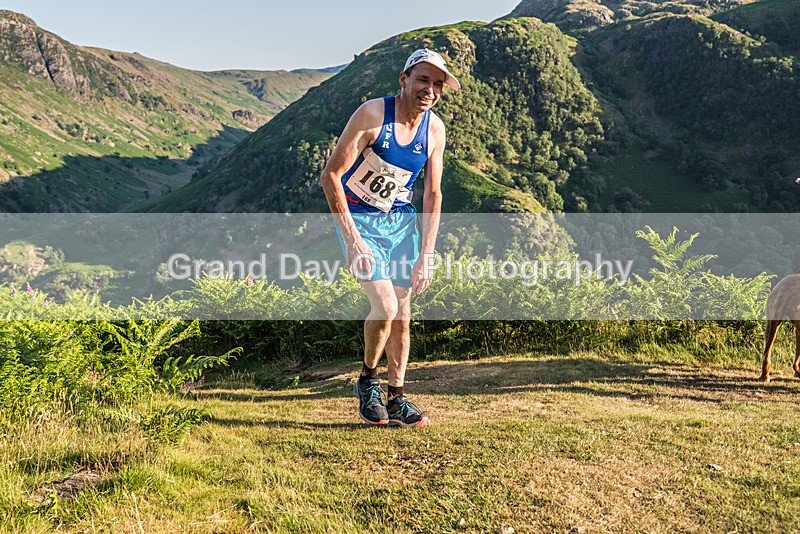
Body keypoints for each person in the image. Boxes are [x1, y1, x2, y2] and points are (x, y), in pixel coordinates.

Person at [320, 49, 459, 428]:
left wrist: (427, 252)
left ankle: (397, 397)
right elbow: (331, 175)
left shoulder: (435, 130)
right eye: (422, 80)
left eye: (437, 84)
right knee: (384, 306)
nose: (429, 89)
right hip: (360, 220)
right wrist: (351, 239)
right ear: (404, 79)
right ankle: (368, 381)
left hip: (400, 224)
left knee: (403, 313)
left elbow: (433, 194)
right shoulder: (372, 115)